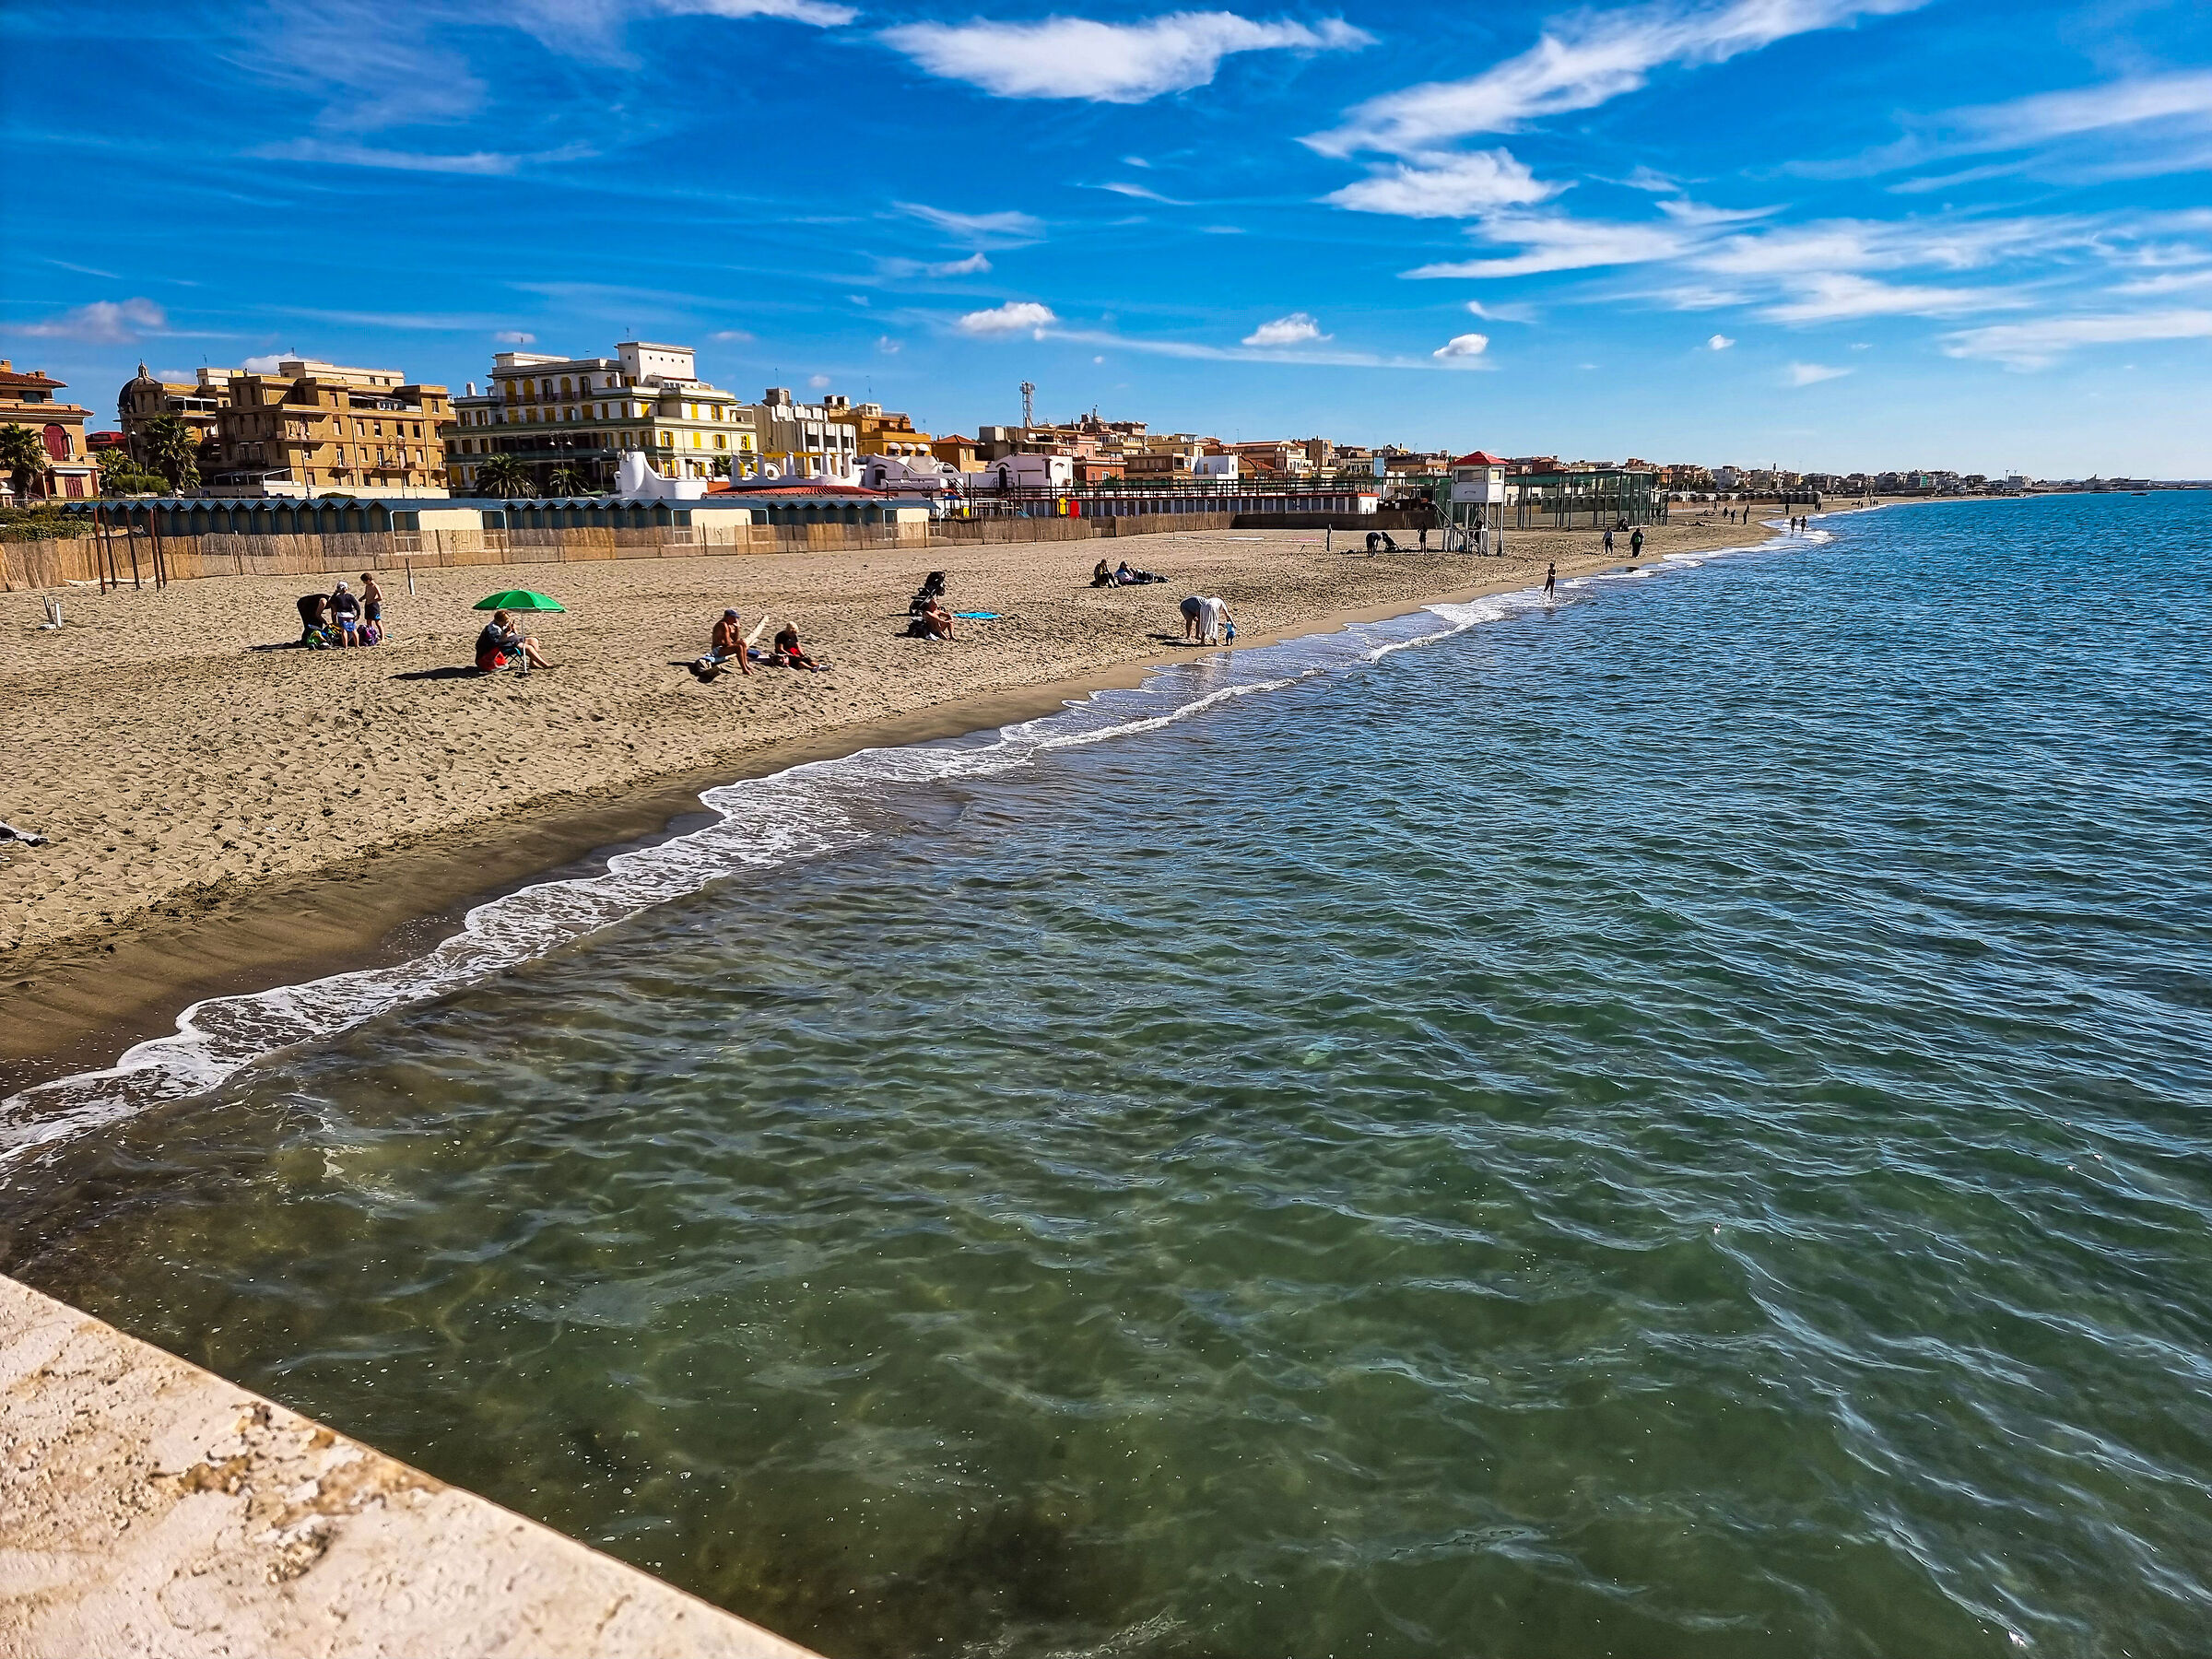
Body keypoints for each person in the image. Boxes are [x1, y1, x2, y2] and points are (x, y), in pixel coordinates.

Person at [476, 609, 552, 673]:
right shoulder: (493, 628)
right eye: (506, 621)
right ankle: (544, 665)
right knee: (528, 648)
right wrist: (507, 632)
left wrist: (514, 629)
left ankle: (533, 663)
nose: (507, 623)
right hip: (498, 647)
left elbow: (514, 635)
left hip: (511, 640)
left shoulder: (503, 625)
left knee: (533, 640)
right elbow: (499, 641)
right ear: (499, 621)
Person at [693, 608, 753, 680]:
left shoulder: (728, 625)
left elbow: (735, 639)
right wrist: (735, 647)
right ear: (728, 617)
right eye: (733, 618)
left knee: (742, 642)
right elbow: (727, 643)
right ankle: (744, 669)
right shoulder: (723, 625)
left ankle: (746, 664)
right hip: (718, 649)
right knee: (738, 647)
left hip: (724, 647)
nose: (735, 620)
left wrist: (737, 628)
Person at [328, 580, 361, 646]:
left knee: (344, 630)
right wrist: (358, 613)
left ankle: (345, 645)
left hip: (342, 615)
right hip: (350, 615)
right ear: (345, 589)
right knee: (353, 629)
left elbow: (331, 601)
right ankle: (357, 644)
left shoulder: (337, 597)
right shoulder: (350, 596)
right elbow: (356, 605)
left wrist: (335, 593)